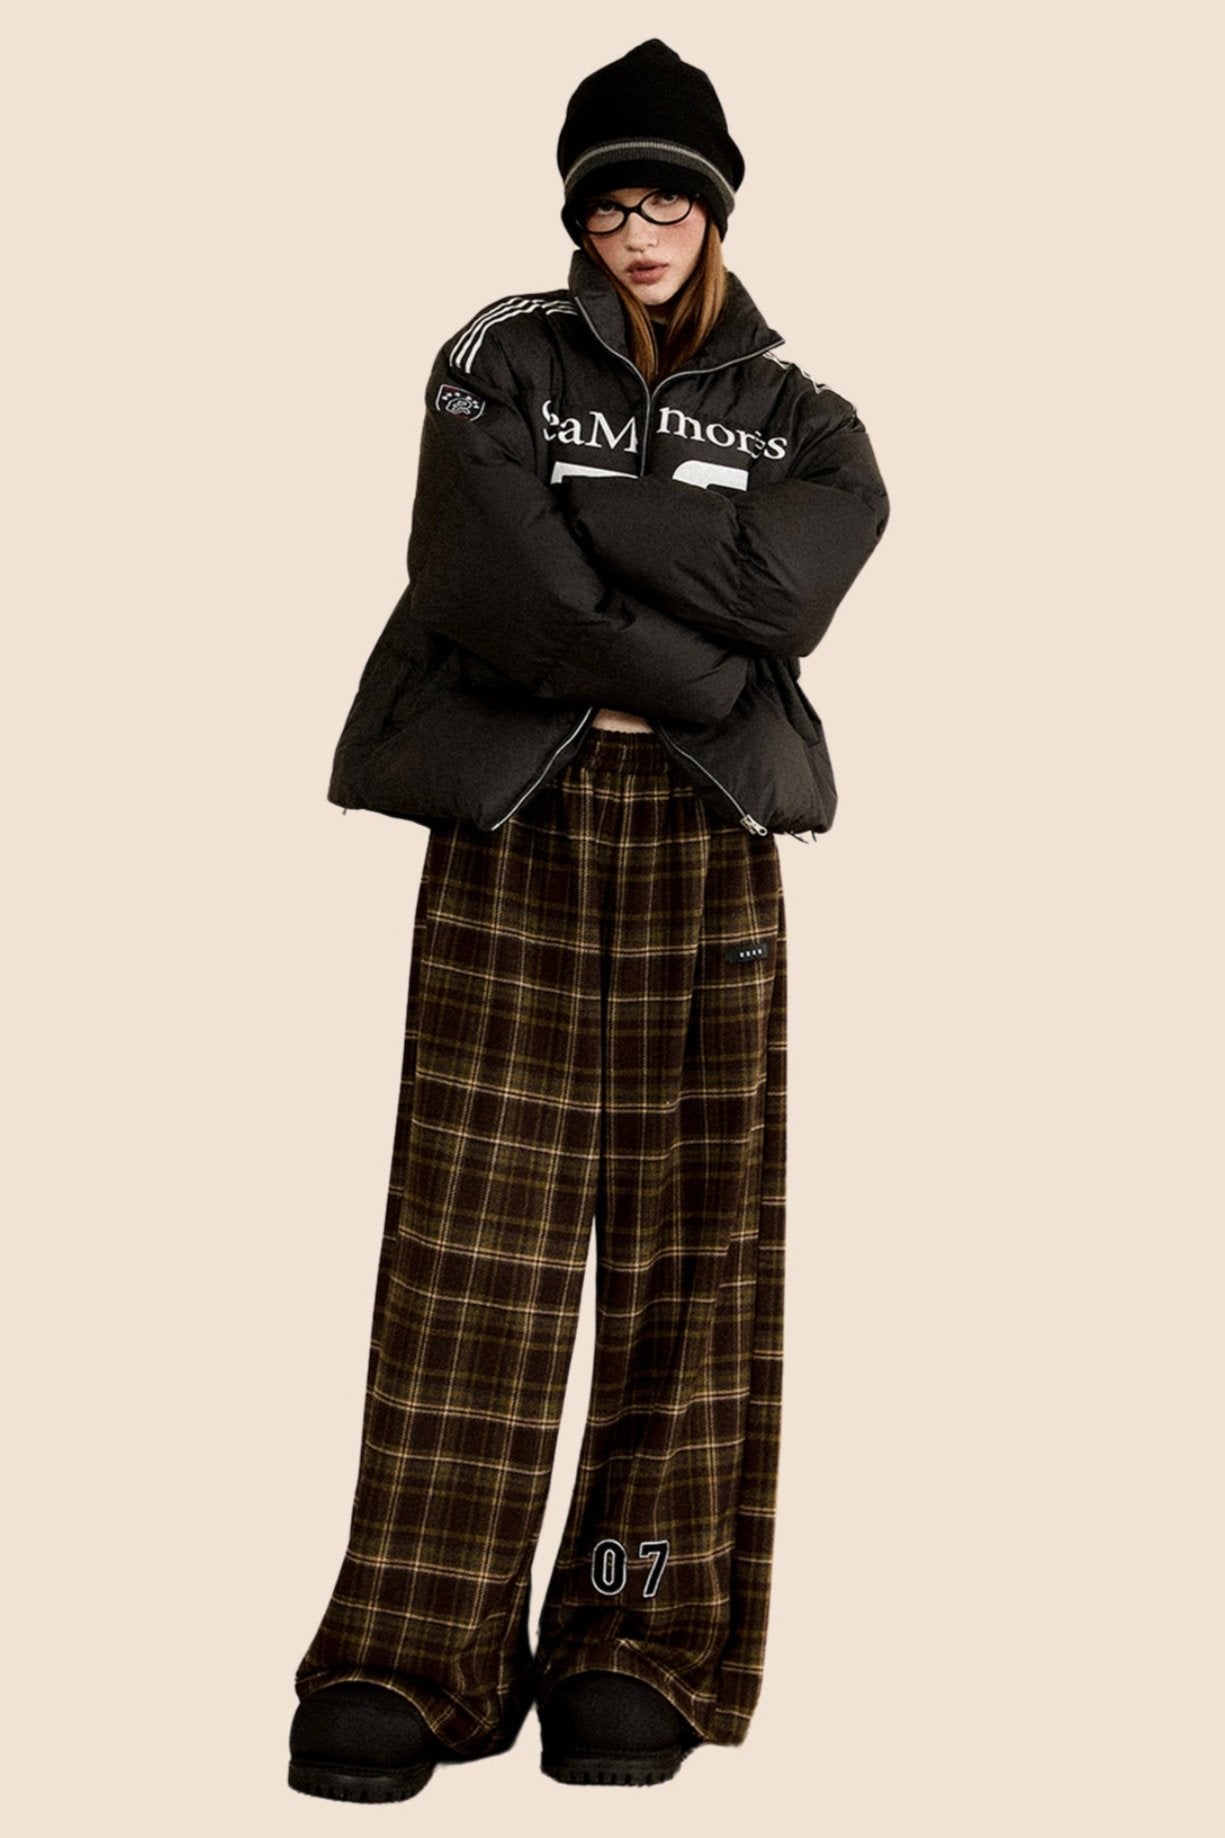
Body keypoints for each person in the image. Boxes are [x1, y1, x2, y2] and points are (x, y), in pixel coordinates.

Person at [288, 37, 890, 1802]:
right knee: (472, 1240)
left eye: (668, 201)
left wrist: (593, 523)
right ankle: (415, 1650)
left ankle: (631, 1629)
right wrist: (695, 647)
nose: (638, 230)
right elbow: (485, 572)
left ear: (716, 211)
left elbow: (798, 580)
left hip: (709, 837)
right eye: (611, 201)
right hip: (521, 821)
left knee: (691, 1244)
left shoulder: (804, 414)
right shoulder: (497, 355)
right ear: (575, 214)